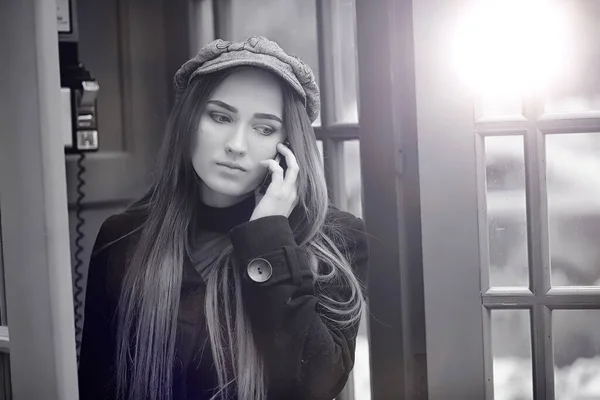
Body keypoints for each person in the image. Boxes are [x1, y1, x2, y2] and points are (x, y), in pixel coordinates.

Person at [78, 35, 369, 400]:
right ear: (189, 122)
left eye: (264, 128)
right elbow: (98, 386)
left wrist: (269, 238)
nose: (236, 144)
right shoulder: (123, 238)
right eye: (220, 116)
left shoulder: (333, 240)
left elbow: (315, 386)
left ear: (289, 146)